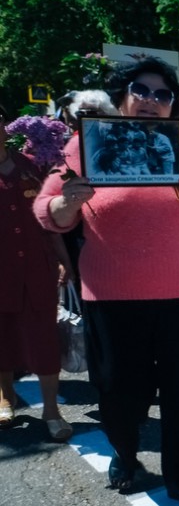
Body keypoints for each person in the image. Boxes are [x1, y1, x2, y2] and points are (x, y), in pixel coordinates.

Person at [34, 57, 179, 506]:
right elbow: (49, 212)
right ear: (121, 96)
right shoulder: (85, 145)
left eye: (163, 95)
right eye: (141, 90)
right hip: (112, 299)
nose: (151, 101)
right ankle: (125, 455)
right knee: (120, 393)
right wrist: (66, 203)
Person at [0, 104, 75, 440]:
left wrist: (64, 260)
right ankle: (4, 396)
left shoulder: (30, 167)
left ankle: (51, 410)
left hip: (37, 268)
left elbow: (49, 221)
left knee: (44, 338)